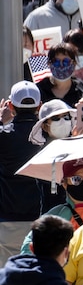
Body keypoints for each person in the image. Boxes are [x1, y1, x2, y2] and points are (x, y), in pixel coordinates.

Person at [0, 81, 44, 223]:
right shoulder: (48, 134)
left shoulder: (4, 135)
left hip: (7, 218)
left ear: (11, 106)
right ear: (40, 106)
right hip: (41, 217)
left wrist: (1, 121)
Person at [36, 43, 83, 109]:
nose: (61, 65)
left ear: (74, 64)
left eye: (66, 61)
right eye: (56, 62)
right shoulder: (38, 91)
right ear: (49, 64)